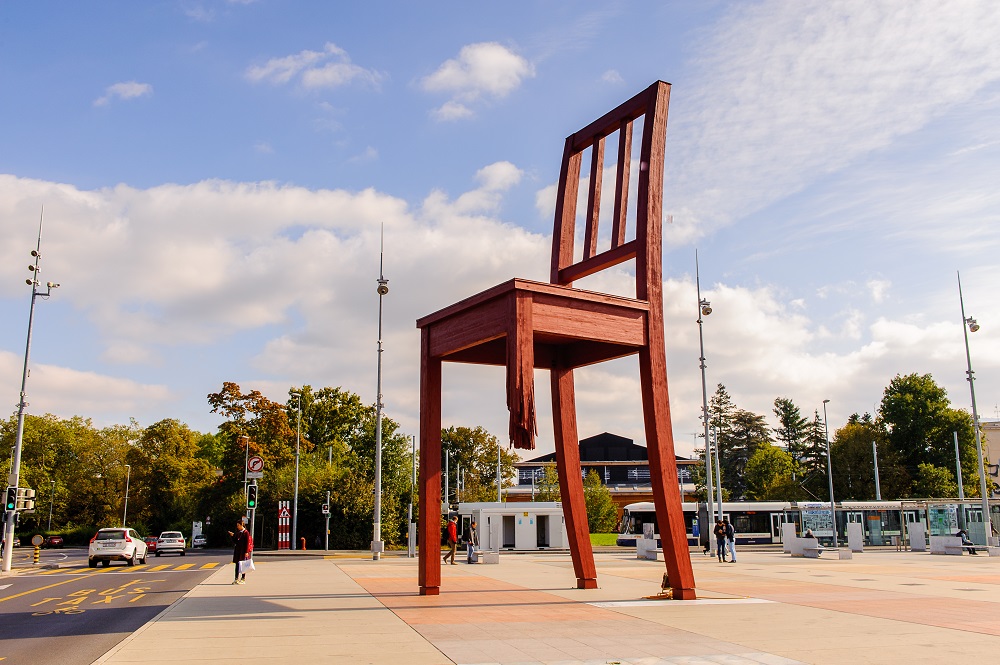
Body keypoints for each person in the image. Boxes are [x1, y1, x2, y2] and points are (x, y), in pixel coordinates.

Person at [229, 519, 252, 584]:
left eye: (238, 525)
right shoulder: (238, 532)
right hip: (238, 551)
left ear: (242, 525)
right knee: (237, 564)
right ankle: (236, 578)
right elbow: (236, 541)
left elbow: (247, 543)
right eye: (237, 525)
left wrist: (246, 552)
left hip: (243, 551)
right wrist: (232, 536)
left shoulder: (246, 533)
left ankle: (243, 578)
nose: (237, 527)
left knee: (243, 565)